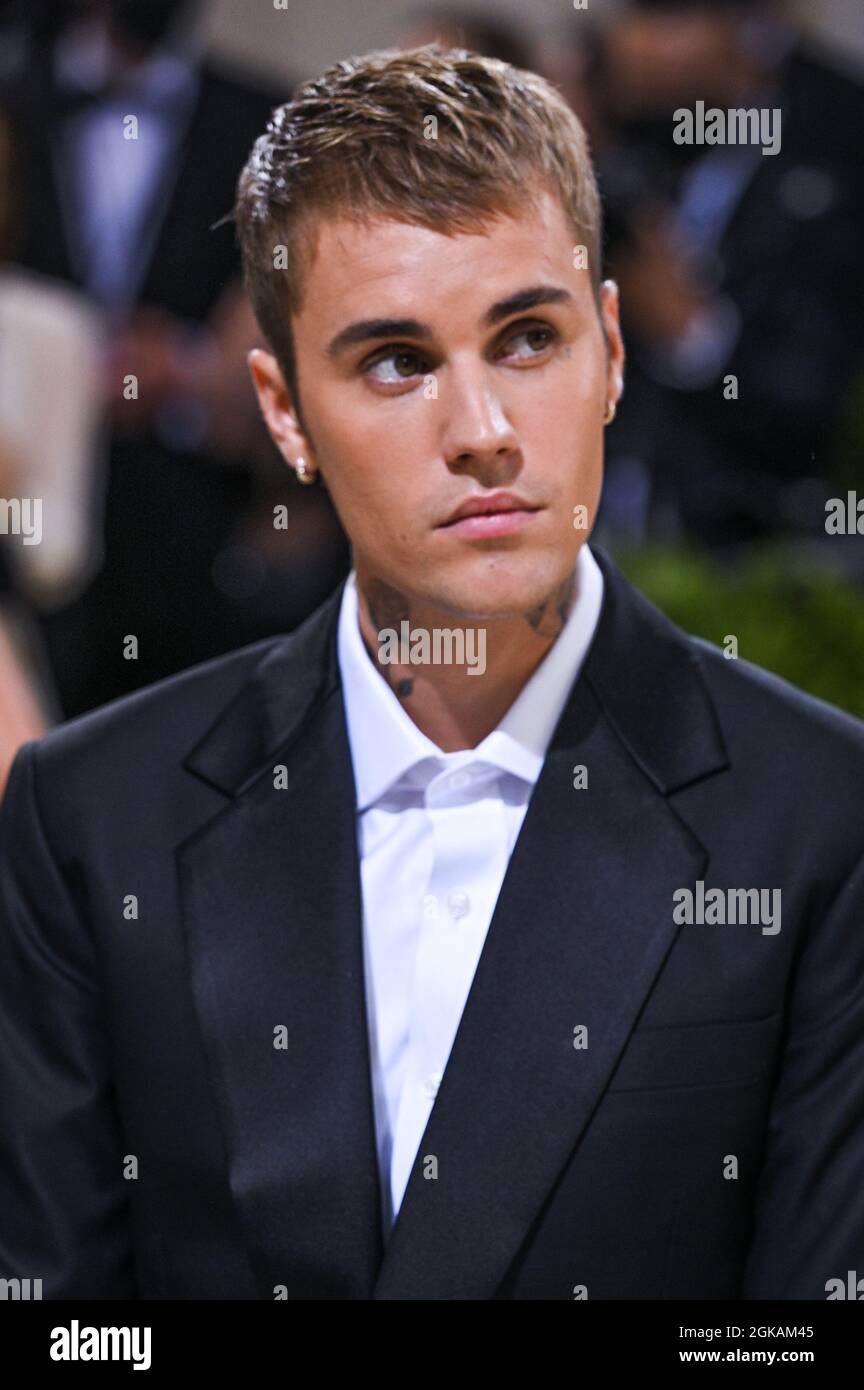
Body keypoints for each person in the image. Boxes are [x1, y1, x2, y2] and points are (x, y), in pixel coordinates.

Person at [1, 44, 863, 1301]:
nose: (483, 433)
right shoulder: (95, 820)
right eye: (396, 361)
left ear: (611, 352)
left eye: (526, 338)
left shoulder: (821, 821)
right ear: (284, 411)